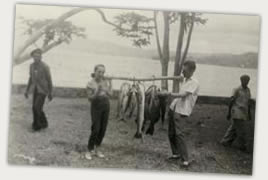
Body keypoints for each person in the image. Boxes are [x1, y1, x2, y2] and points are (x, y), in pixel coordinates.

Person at [160, 60, 199, 167]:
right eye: (182, 69)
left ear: (192, 70)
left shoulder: (194, 82)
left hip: (182, 111)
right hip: (174, 108)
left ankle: (185, 160)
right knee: (171, 133)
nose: (183, 72)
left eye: (185, 70)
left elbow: (183, 95)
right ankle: (175, 154)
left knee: (180, 135)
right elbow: (178, 78)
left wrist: (168, 93)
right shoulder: (185, 79)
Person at [85, 64, 113, 160]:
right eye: (99, 72)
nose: (101, 74)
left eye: (103, 72)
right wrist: (97, 91)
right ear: (95, 72)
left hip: (106, 105)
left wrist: (110, 83)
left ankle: (98, 149)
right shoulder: (90, 83)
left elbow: (111, 94)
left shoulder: (105, 82)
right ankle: (89, 150)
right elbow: (90, 99)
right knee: (96, 129)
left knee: (103, 129)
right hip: (96, 106)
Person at [220, 74, 251, 152]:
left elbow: (248, 102)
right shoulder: (236, 89)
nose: (246, 82)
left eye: (247, 81)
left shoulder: (248, 90)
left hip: (244, 112)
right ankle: (242, 146)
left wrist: (249, 113)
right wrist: (229, 113)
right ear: (241, 81)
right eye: (244, 80)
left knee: (233, 128)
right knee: (241, 130)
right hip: (236, 111)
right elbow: (231, 101)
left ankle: (225, 141)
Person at [24, 48, 53, 131]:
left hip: (43, 90)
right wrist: (27, 90)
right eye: (34, 56)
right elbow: (30, 78)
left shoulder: (45, 66)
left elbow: (49, 79)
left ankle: (36, 126)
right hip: (35, 89)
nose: (36, 58)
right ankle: (44, 123)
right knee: (36, 107)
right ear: (32, 57)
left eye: (38, 56)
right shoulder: (31, 66)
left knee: (36, 107)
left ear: (41, 57)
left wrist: (50, 92)